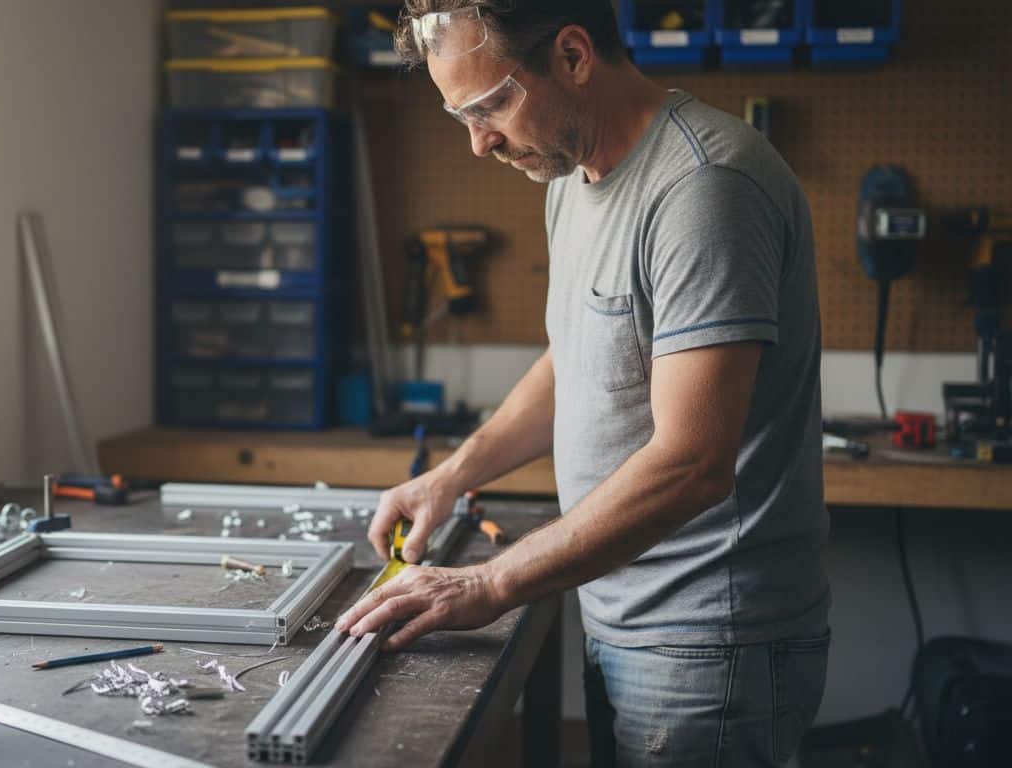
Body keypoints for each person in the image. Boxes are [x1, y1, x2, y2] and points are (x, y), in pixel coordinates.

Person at [333, 2, 832, 765]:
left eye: (491, 104)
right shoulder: (569, 173)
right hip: (623, 614)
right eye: (459, 115)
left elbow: (693, 464)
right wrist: (454, 475)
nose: (479, 142)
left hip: (706, 645)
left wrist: (489, 585)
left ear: (572, 56)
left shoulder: (704, 187)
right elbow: (578, 359)